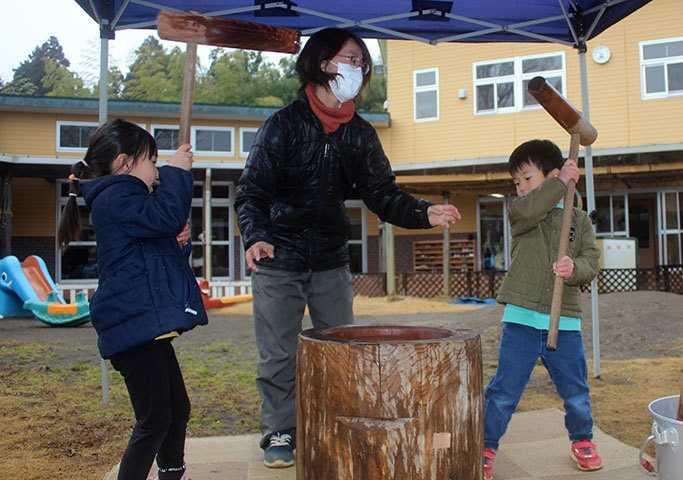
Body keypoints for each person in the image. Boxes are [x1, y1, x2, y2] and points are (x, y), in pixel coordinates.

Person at [234, 27, 461, 468]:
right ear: (322, 62)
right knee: (279, 352)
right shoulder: (282, 125)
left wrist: (422, 212)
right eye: (349, 59)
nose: (357, 68)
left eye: (361, 62)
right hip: (277, 257)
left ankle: (335, 422)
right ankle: (280, 431)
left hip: (331, 259)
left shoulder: (359, 133)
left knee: (342, 349)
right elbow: (252, 191)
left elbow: (382, 192)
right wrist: (256, 235)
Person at [57, 119, 207, 480]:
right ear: (125, 163)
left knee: (176, 407)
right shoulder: (115, 197)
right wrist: (177, 172)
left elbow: (158, 255)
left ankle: (172, 471)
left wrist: (178, 243)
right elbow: (167, 214)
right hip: (131, 327)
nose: (157, 170)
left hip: (142, 325)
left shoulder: (128, 201)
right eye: (153, 162)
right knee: (154, 419)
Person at [482, 139, 602, 479]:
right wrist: (557, 184)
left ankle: (583, 440)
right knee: (504, 391)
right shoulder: (523, 214)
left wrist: (573, 269)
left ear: (550, 174)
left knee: (575, 390)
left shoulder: (580, 220)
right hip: (521, 318)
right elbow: (530, 209)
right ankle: (486, 445)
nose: (520, 188)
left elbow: (592, 261)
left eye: (527, 179)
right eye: (516, 182)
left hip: (563, 322)